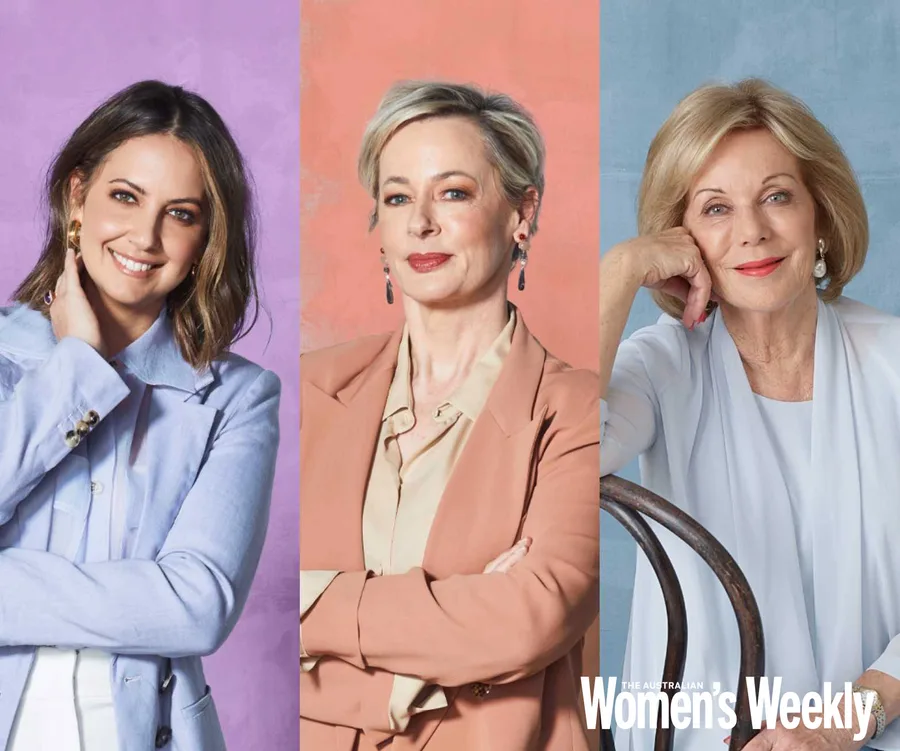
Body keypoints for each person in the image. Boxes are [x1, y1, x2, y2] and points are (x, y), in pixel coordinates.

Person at [600, 78, 900, 750]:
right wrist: (620, 270)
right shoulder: (660, 367)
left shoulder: (894, 361)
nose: (753, 231)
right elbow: (551, 459)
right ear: (681, 239)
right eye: (714, 209)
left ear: (818, 213)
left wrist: (843, 722)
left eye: (777, 196)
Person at [299, 81, 600, 750]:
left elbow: (525, 621)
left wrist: (313, 600)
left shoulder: (576, 408)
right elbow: (254, 621)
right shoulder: (308, 392)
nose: (420, 222)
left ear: (523, 213)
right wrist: (422, 675)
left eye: (454, 192)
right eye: (398, 196)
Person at [0, 80, 280, 750]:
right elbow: (167, 599)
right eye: (125, 196)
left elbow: (199, 605)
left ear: (204, 239)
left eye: (180, 213)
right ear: (77, 195)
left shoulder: (238, 396)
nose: (146, 237)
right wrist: (76, 368)